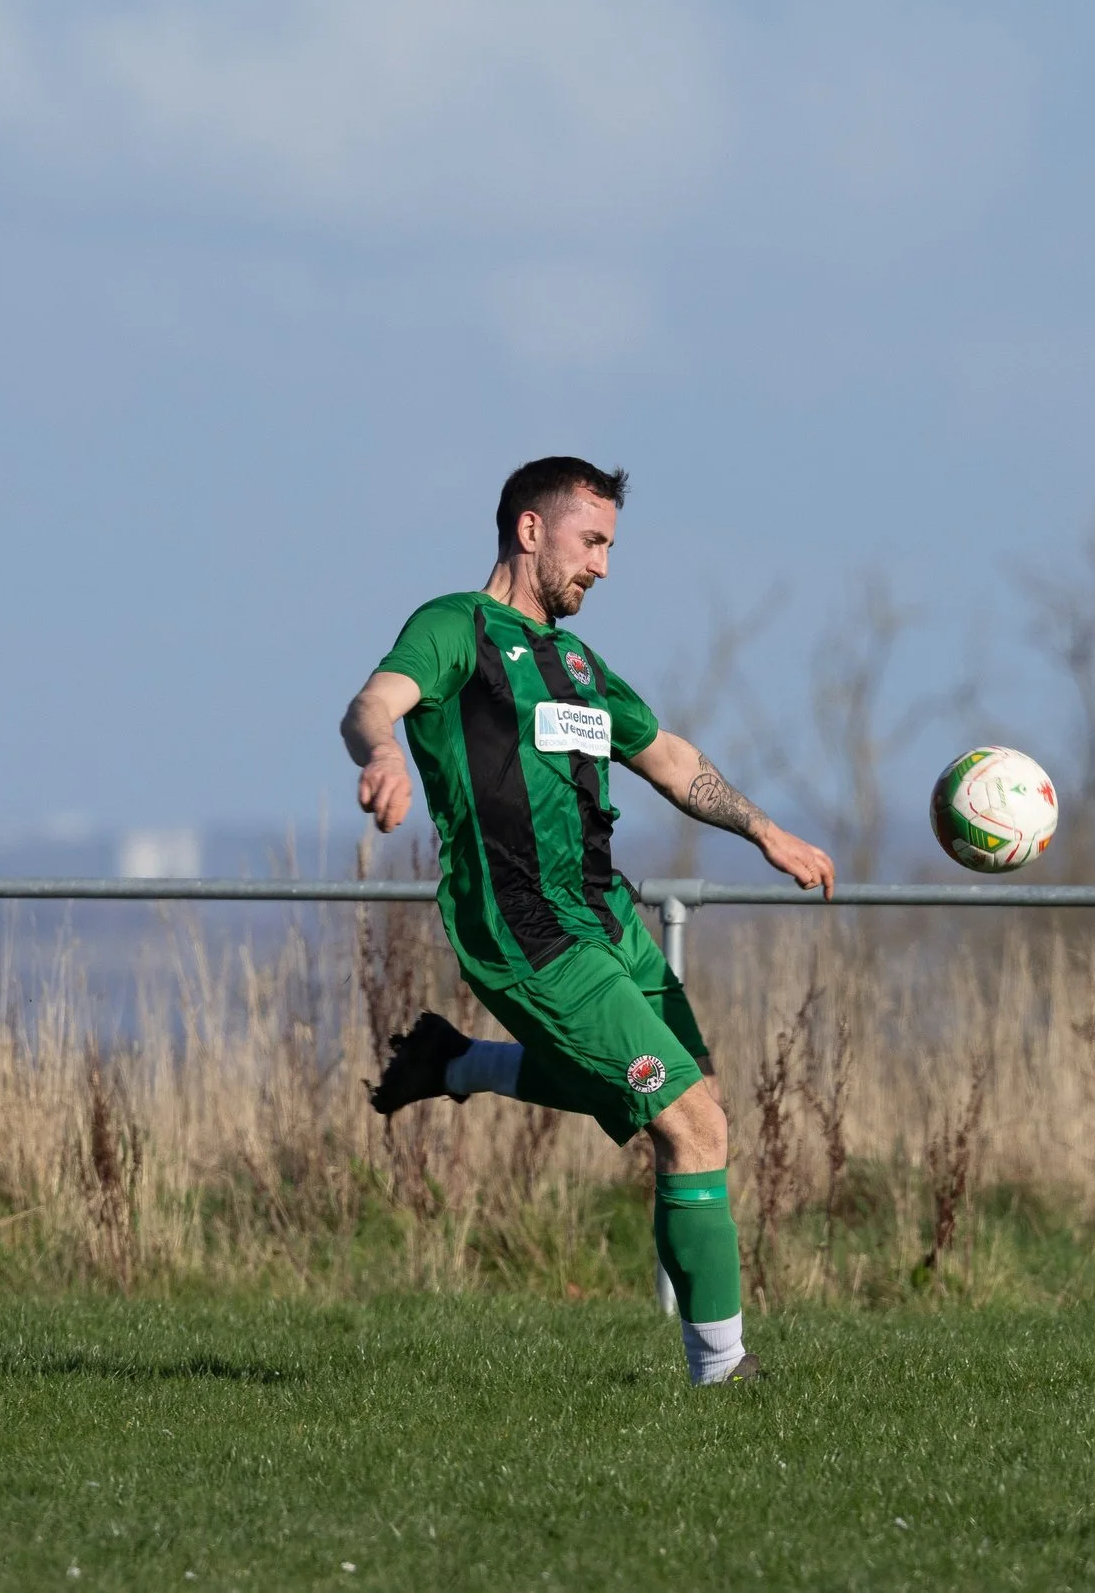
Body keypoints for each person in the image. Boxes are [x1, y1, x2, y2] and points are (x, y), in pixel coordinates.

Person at [340, 456, 834, 1385]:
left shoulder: (576, 663)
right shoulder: (457, 629)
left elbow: (669, 757)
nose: (604, 566)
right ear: (531, 531)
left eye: (610, 545)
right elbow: (376, 701)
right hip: (524, 927)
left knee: (701, 1106)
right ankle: (723, 1373)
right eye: (592, 541)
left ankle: (458, 1064)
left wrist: (765, 830)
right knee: (689, 1122)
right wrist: (383, 757)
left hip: (607, 920)